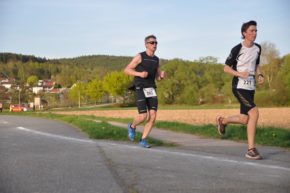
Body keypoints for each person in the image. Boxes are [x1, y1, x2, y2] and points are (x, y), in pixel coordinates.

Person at [216, 20, 265, 160]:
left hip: (250, 87)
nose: (254, 33)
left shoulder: (257, 48)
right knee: (254, 112)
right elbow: (226, 68)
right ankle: (251, 149)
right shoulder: (237, 48)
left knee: (245, 119)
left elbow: (256, 65)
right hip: (238, 86)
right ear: (244, 33)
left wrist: (260, 74)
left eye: (256, 31)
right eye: (252, 31)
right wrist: (239, 74)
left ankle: (222, 121)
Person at [124, 35, 165, 148]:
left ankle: (143, 140)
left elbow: (157, 77)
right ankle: (132, 126)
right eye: (152, 43)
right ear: (146, 44)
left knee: (153, 116)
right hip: (140, 87)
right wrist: (140, 74)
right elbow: (127, 70)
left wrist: (161, 76)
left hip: (151, 88)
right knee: (143, 116)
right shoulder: (140, 56)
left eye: (156, 43)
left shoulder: (156, 59)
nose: (154, 45)